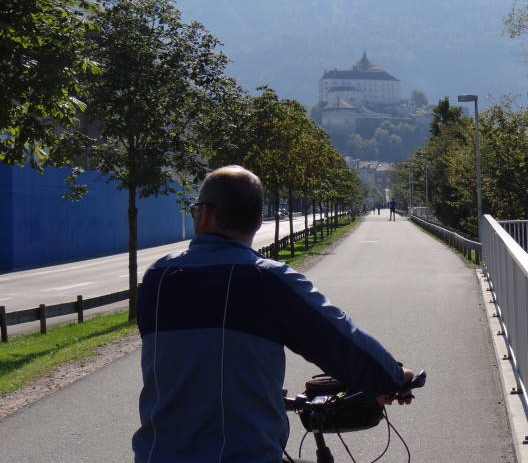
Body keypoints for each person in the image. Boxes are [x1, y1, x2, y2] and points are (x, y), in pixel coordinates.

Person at [133, 165, 415, 463]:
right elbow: (338, 338)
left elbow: (190, 356)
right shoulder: (265, 280)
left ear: (202, 214)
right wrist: (392, 378)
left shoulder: (158, 277)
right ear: (258, 222)